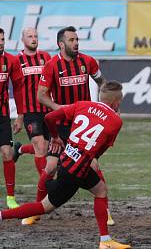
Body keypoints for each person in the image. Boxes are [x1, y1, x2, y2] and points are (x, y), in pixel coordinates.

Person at [0, 81, 131, 249]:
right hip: (75, 171)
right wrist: (93, 157)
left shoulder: (83, 105)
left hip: (68, 159)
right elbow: (101, 148)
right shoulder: (116, 121)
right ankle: (2, 215)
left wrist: (55, 137)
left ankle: (105, 241)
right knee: (44, 207)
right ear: (117, 102)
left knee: (101, 190)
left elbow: (49, 117)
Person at [36, 26, 114, 225]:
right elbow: (41, 95)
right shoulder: (52, 66)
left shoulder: (87, 62)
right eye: (71, 40)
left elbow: (102, 83)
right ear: (61, 44)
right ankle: (36, 210)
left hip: (82, 126)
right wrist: (58, 107)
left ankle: (105, 210)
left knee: (94, 165)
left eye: (77, 39)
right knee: (51, 167)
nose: (76, 43)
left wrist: (104, 104)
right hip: (61, 125)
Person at [13, 28, 52, 202]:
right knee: (40, 146)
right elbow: (17, 90)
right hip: (30, 112)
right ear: (23, 40)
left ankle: (20, 149)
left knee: (49, 147)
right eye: (30, 36)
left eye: (36, 36)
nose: (34, 39)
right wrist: (20, 116)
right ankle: (46, 185)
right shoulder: (17, 61)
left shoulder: (46, 57)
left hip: (48, 110)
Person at [0, 28, 25, 209]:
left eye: (2, 39)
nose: (1, 43)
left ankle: (10, 197)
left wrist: (20, 116)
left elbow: (17, 89)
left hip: (2, 115)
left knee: (8, 153)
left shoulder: (11, 60)